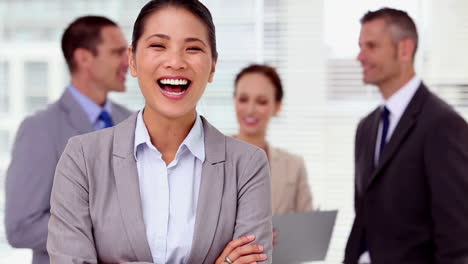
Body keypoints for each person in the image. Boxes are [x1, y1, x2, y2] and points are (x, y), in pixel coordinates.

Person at [46, 1, 273, 264]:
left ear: (212, 66)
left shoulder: (247, 166)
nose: (175, 62)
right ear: (132, 60)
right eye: (158, 45)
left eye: (193, 48)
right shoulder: (82, 158)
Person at [344, 7, 468, 264]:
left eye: (371, 46)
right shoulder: (366, 128)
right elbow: (365, 218)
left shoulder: (443, 125)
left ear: (404, 50)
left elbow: (457, 237)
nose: (360, 56)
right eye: (360, 46)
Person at [4, 16, 132, 264]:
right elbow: (21, 228)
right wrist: (103, 227)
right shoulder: (39, 130)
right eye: (117, 53)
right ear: (84, 58)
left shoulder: (133, 122)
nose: (128, 62)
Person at [233, 64, 313, 215]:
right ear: (234, 101)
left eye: (261, 102)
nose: (250, 110)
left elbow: (307, 228)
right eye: (243, 99)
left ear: (277, 107)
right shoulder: (210, 158)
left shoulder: (294, 166)